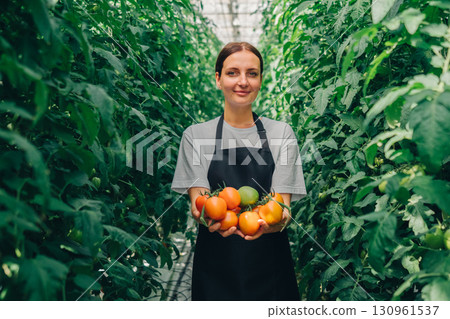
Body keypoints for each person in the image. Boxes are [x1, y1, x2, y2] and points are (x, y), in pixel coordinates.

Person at [171, 42, 307, 301]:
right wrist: (211, 218)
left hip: (271, 267)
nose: (243, 81)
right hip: (215, 268)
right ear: (218, 79)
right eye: (233, 72)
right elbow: (199, 203)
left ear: (260, 80)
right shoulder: (196, 136)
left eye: (252, 73)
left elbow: (283, 208)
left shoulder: (281, 134)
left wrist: (274, 221)